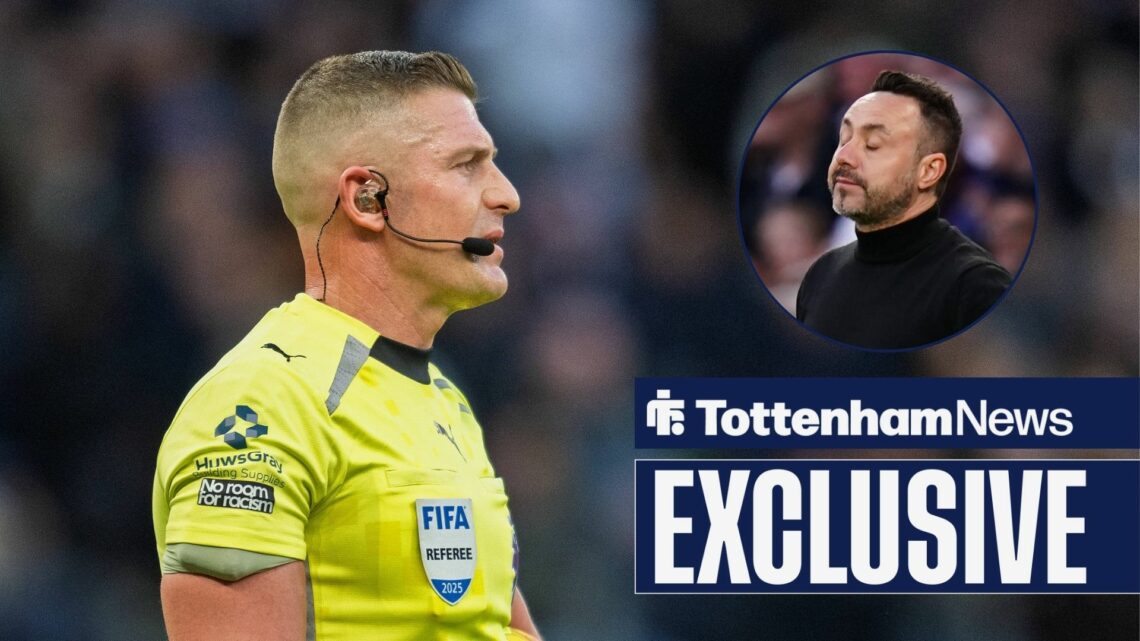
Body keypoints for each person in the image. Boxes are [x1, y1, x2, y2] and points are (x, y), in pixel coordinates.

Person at [152, 50, 541, 641]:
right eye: (466, 165)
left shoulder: (444, 402)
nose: (506, 195)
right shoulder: (262, 404)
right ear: (367, 199)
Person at [795, 70, 1012, 349]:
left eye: (873, 144)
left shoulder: (974, 286)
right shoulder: (821, 275)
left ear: (929, 171)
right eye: (844, 138)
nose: (844, 157)